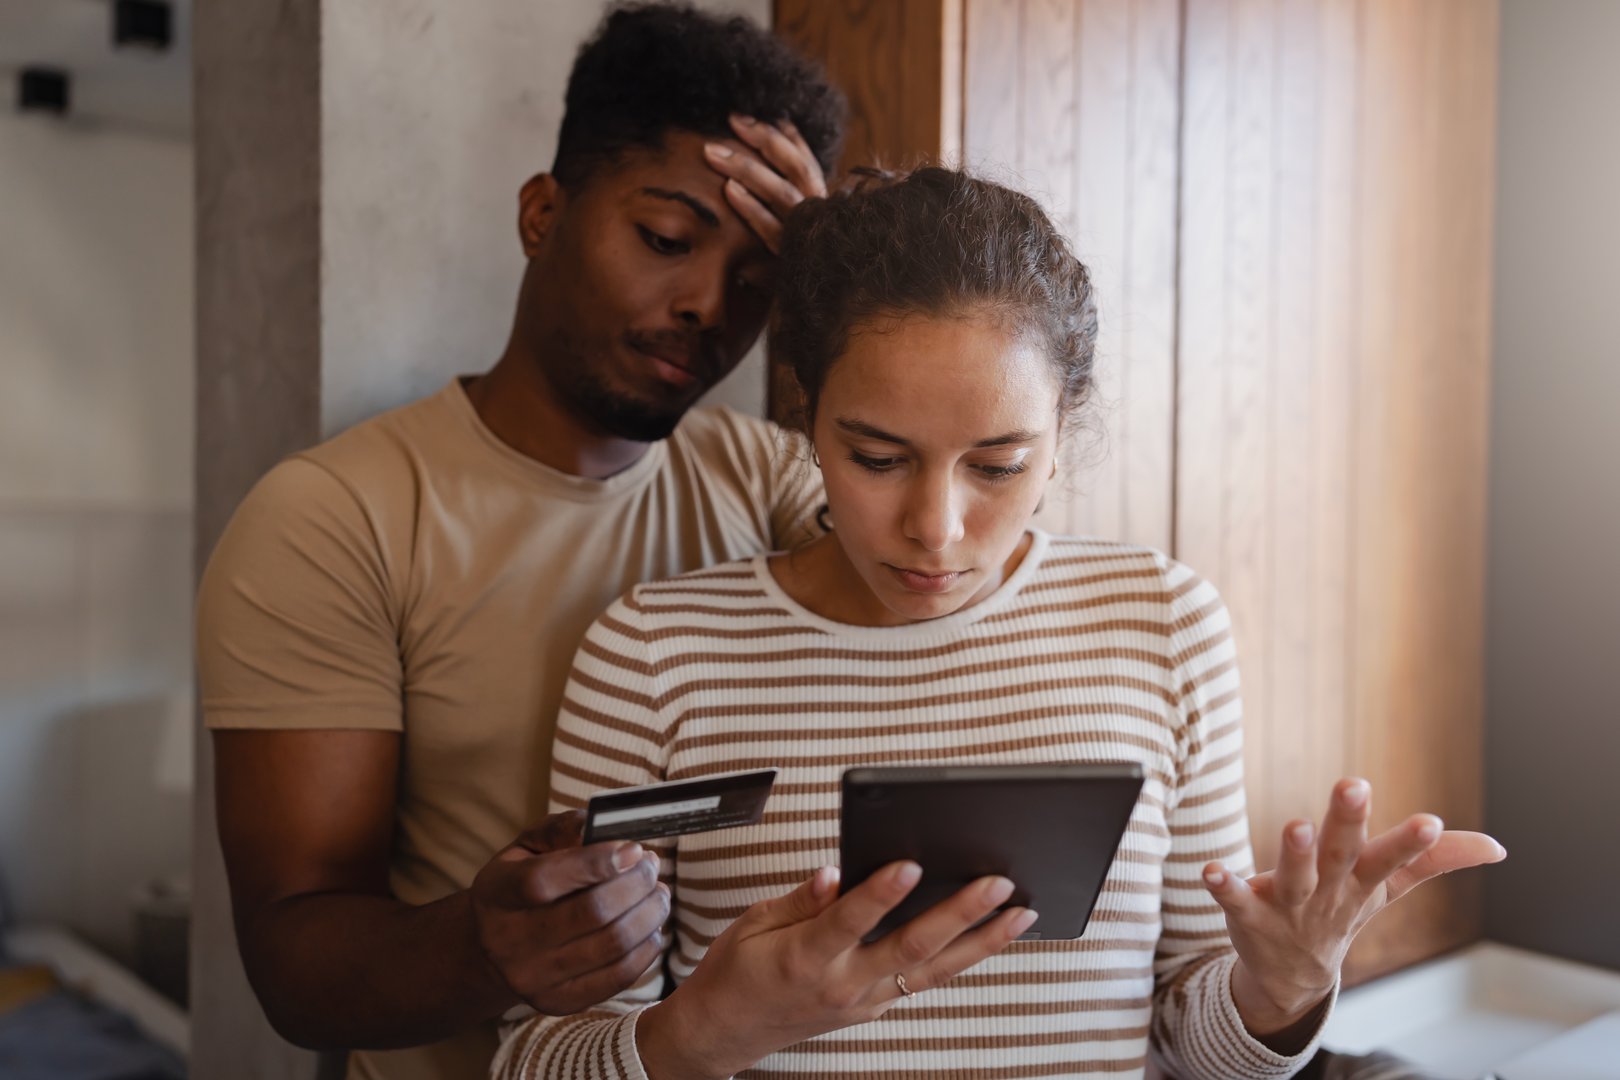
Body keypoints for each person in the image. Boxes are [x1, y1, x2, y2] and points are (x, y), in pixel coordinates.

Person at [497, 168, 1508, 1079]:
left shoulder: (1161, 623)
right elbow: (535, 1061)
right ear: (807, 415)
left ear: (1062, 436)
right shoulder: (654, 655)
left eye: (997, 465)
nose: (934, 530)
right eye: (877, 457)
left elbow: (1195, 1054)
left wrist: (1280, 990)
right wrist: (708, 1032)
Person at [195, 6, 846, 1079]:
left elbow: (964, 611)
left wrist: (851, 300)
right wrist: (484, 947)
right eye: (668, 240)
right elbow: (292, 959)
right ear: (543, 213)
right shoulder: (336, 519)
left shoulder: (774, 481)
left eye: (759, 283)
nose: (706, 306)